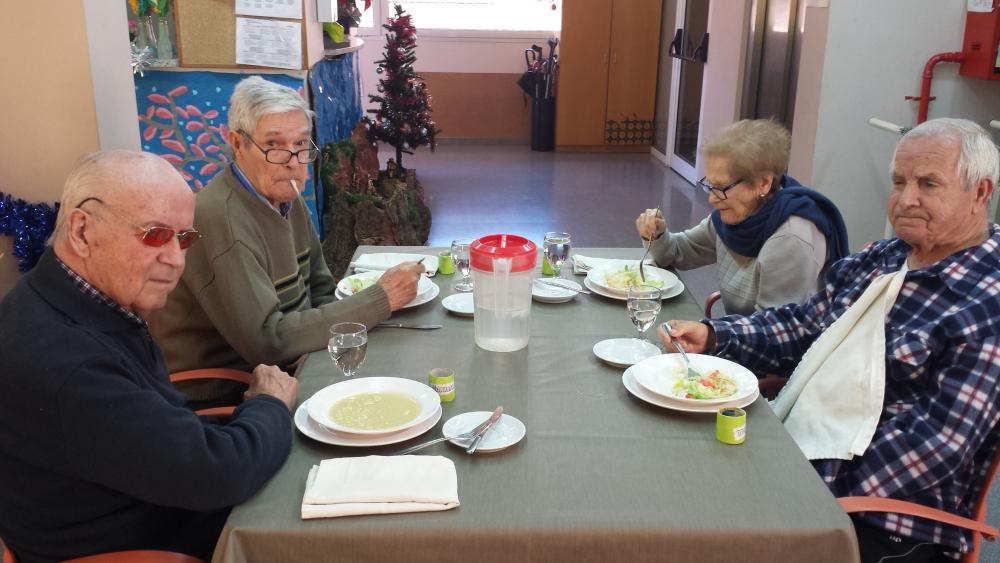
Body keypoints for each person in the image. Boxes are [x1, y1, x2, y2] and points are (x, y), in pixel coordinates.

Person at [659, 118, 1000, 562]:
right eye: (899, 182)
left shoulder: (986, 304)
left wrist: (794, 474)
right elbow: (807, 324)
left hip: (879, 523)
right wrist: (716, 334)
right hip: (798, 450)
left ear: (980, 192)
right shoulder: (885, 257)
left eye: (928, 184)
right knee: (667, 479)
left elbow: (934, 447)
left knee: (687, 535)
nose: (906, 199)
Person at [0, 151, 299, 561]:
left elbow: (157, 431)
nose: (176, 260)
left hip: (151, 501)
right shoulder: (68, 362)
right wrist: (269, 404)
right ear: (82, 231)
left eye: (184, 239)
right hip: (149, 545)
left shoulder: (69, 300)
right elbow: (216, 474)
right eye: (155, 235)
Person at [151, 76, 424, 402]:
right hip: (229, 394)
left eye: (300, 145)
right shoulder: (222, 219)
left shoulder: (285, 199)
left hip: (295, 365)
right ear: (237, 144)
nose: (293, 162)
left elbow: (321, 289)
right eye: (274, 145)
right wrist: (380, 299)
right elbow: (268, 343)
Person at [635, 119, 849, 315]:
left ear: (763, 184)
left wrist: (712, 334)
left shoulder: (790, 238)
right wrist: (657, 234)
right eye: (710, 185)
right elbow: (677, 252)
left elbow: (771, 330)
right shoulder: (737, 218)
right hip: (739, 335)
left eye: (721, 187)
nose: (711, 198)